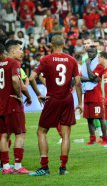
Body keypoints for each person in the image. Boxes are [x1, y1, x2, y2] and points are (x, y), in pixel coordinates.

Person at [29, 35, 82, 175]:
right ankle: (63, 168)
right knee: (66, 135)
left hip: (52, 99)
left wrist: (38, 94)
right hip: (67, 99)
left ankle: (44, 167)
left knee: (41, 131)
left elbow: (31, 77)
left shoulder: (46, 59)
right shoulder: (72, 60)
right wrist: (80, 102)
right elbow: (77, 82)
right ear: (64, 44)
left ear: (51, 45)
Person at [0, 41, 32, 174]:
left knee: (3, 135)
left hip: (1, 104)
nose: (22, 52)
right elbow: (15, 80)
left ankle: (6, 166)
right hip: (12, 103)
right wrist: (20, 95)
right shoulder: (14, 63)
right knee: (20, 133)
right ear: (12, 51)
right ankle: (18, 166)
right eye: (20, 49)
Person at [81, 45, 107, 145]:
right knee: (89, 118)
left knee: (100, 117)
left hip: (96, 94)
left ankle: (105, 138)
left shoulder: (99, 64)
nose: (89, 54)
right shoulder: (85, 63)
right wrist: (90, 78)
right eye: (88, 52)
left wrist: (88, 66)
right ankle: (92, 139)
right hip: (87, 94)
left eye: (92, 52)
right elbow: (81, 77)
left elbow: (93, 76)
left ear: (96, 52)